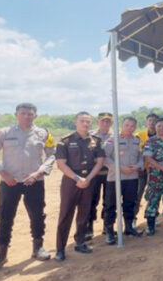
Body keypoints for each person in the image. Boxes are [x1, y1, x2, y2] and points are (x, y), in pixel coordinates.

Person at [0, 103, 55, 271]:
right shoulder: (4, 133)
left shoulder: (44, 133)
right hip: (11, 182)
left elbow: (52, 155)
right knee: (5, 216)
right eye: (23, 113)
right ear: (16, 114)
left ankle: (38, 247)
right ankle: (1, 254)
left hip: (34, 182)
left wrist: (39, 172)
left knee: (37, 215)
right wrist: (2, 173)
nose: (27, 116)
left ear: (35, 116)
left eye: (30, 114)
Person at [54, 112, 106, 261]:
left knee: (84, 213)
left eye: (88, 122)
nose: (85, 124)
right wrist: (78, 178)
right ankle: (60, 248)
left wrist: (88, 178)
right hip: (71, 181)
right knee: (65, 214)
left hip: (89, 181)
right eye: (82, 121)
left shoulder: (96, 141)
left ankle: (80, 242)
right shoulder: (65, 141)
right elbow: (61, 164)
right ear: (75, 122)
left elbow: (100, 160)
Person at [102, 117, 144, 244]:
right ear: (122, 125)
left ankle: (129, 227)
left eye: (132, 126)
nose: (130, 128)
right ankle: (109, 231)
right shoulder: (112, 140)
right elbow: (105, 158)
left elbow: (142, 156)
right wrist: (119, 168)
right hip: (115, 178)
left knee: (130, 203)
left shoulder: (137, 140)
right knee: (110, 205)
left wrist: (138, 165)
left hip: (132, 177)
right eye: (127, 125)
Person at [87, 112, 113, 241]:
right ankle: (89, 227)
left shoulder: (115, 136)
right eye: (103, 121)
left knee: (109, 201)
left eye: (108, 121)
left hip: (110, 174)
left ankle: (107, 225)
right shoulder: (90, 135)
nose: (105, 123)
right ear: (98, 122)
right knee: (91, 200)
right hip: (94, 174)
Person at [134, 113, 158, 227]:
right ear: (146, 122)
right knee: (137, 194)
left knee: (153, 195)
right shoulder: (139, 136)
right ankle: (132, 218)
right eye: (150, 121)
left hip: (155, 171)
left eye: (154, 121)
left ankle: (151, 217)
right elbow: (136, 153)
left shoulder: (161, 136)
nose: (152, 123)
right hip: (141, 170)